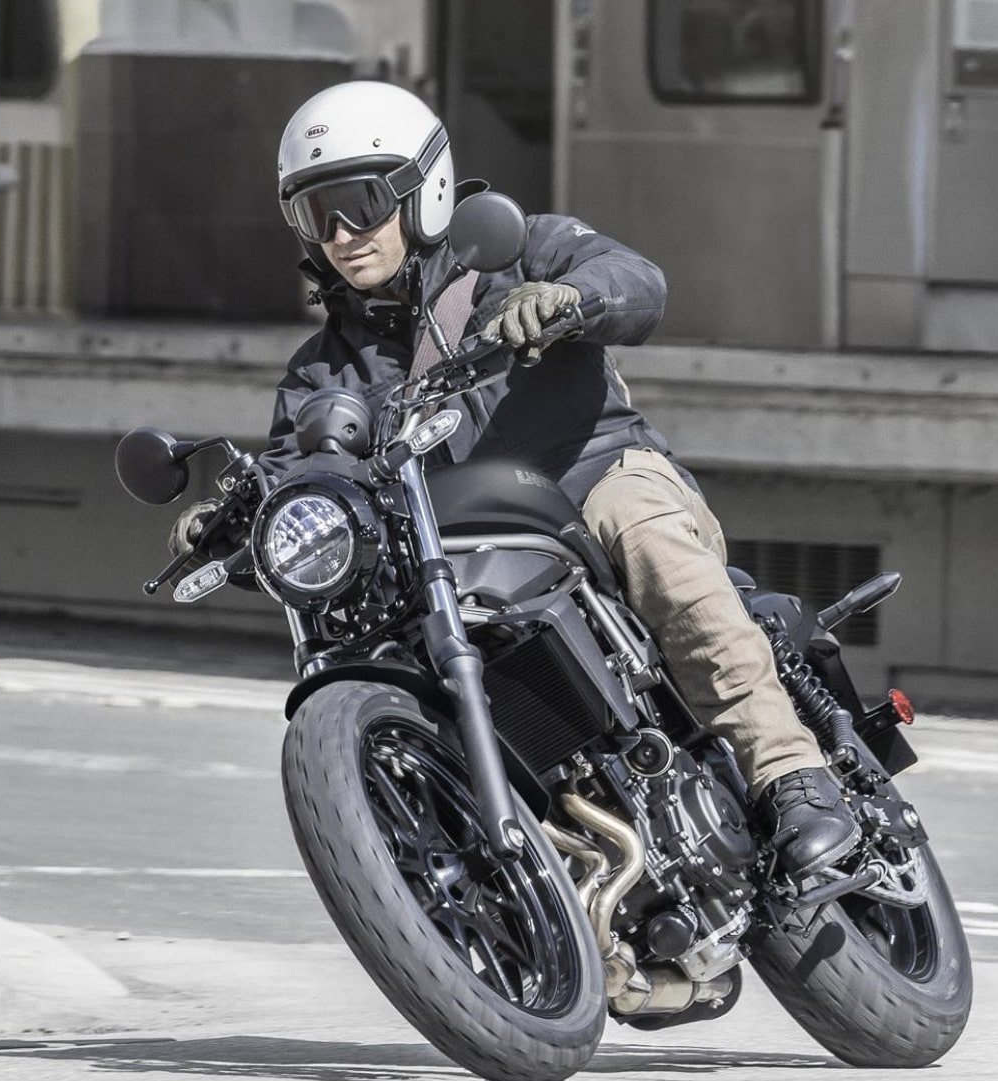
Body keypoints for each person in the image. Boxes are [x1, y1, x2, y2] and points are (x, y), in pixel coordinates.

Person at [183, 80, 858, 878]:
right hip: (455, 553)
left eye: (359, 205)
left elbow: (639, 282)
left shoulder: (522, 250)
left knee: (650, 541)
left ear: (423, 190)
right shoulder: (321, 371)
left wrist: (572, 298)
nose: (340, 235)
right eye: (314, 214)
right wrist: (243, 516)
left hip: (591, 477)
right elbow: (305, 466)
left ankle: (792, 777)